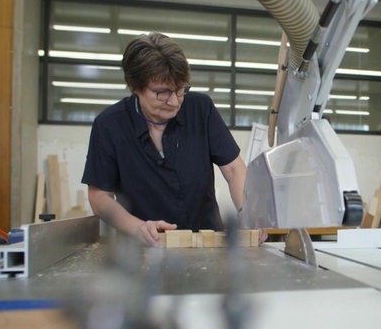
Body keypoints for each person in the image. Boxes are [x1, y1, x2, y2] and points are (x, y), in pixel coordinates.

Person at [82, 32, 253, 247]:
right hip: (144, 248)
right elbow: (99, 196)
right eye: (161, 93)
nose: (174, 101)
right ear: (135, 87)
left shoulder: (200, 109)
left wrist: (249, 214)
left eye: (179, 89)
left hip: (205, 243)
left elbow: (234, 170)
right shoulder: (110, 125)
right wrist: (138, 227)